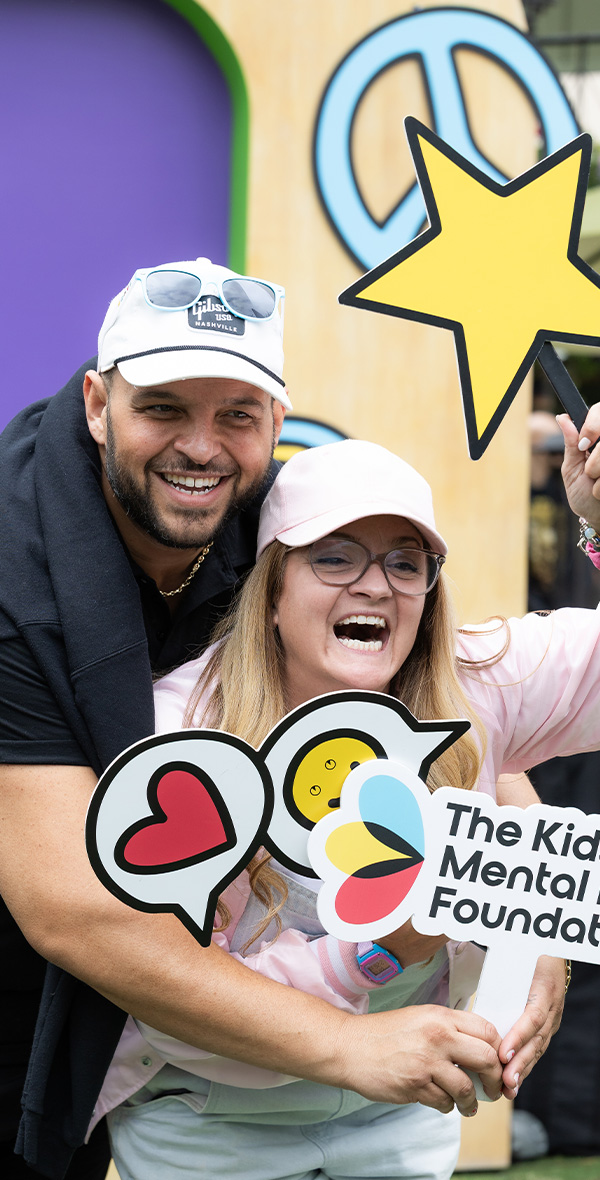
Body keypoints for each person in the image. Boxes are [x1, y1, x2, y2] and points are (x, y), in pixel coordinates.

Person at [0, 250, 567, 1178]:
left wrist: (529, 918)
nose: (201, 447)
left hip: (238, 1024)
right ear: (98, 406)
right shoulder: (16, 571)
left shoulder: (271, 508)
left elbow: (453, 702)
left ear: (274, 419)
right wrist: (348, 1037)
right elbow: (72, 911)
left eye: (237, 414)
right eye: (162, 409)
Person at [98, 437, 600, 1180]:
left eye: (406, 563)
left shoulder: (473, 683)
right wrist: (376, 952)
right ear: (272, 589)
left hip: (402, 1117)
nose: (376, 586)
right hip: (209, 1120)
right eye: (334, 558)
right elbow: (176, 1000)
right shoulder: (186, 738)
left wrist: (597, 525)